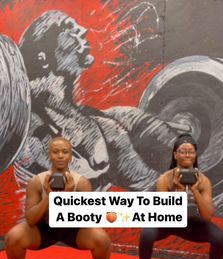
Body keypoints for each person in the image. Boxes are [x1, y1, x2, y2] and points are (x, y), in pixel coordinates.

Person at [14, 9, 177, 200]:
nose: (82, 30)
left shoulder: (88, 118)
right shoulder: (30, 127)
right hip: (61, 219)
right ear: (42, 58)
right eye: (69, 30)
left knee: (127, 117)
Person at [4, 137, 113, 259]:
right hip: (44, 229)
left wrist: (68, 196)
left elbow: (87, 218)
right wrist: (49, 197)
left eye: (65, 152)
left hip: (73, 230)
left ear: (70, 156)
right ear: (49, 155)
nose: (60, 156)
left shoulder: (81, 183)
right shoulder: (37, 182)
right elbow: (31, 220)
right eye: (56, 152)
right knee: (13, 237)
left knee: (102, 239)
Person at [132, 133, 223, 259]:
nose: (187, 155)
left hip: (192, 223)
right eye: (182, 151)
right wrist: (177, 192)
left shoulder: (203, 181)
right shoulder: (165, 179)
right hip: (168, 221)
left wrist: (195, 191)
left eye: (191, 151)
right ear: (175, 155)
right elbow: (161, 211)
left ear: (195, 155)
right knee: (146, 234)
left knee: (219, 237)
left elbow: (207, 216)